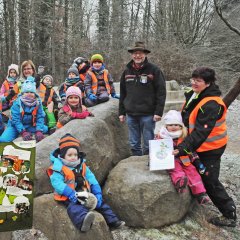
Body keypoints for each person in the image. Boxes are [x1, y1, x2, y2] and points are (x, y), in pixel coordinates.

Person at [174, 67, 237, 227]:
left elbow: (200, 133)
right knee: (195, 171)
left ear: (208, 83)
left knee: (210, 180)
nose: (194, 83)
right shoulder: (195, 94)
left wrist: (181, 149)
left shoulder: (211, 104)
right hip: (197, 145)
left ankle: (229, 214)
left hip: (211, 148)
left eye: (198, 80)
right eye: (193, 79)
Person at [47, 133, 125, 232]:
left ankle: (113, 221)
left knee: (101, 204)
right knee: (74, 208)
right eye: (69, 155)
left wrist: (97, 193)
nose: (73, 157)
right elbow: (57, 183)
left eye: (75, 154)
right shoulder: (59, 167)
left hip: (84, 193)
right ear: (63, 155)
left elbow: (91, 178)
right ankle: (83, 221)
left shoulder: (82, 165)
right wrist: (70, 193)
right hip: (69, 196)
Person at [119, 41, 166, 156]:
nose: (137, 56)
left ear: (145, 54)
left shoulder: (154, 70)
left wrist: (158, 112)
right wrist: (121, 112)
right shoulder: (126, 71)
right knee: (134, 143)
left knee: (148, 143)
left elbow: (161, 92)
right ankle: (136, 162)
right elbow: (123, 93)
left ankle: (148, 162)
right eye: (135, 53)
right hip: (131, 114)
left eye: (140, 53)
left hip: (148, 114)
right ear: (132, 55)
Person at [157, 110, 210, 204]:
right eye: (170, 124)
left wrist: (197, 161)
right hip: (171, 159)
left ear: (181, 126)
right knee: (175, 169)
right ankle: (180, 182)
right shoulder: (161, 136)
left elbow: (190, 149)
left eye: (176, 125)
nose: (173, 127)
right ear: (166, 126)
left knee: (192, 171)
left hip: (185, 158)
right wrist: (154, 158)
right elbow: (156, 148)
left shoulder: (184, 136)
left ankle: (200, 194)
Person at [0, 76, 48, 142]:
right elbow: (16, 120)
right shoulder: (17, 103)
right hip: (15, 126)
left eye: (31, 92)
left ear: (34, 94)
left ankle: (33, 131)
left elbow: (40, 117)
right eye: (27, 92)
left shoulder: (38, 103)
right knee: (3, 140)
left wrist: (39, 130)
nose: (29, 94)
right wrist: (23, 132)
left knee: (45, 129)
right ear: (23, 93)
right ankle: (20, 133)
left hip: (29, 125)